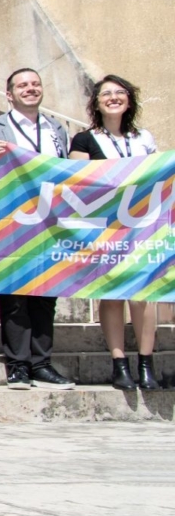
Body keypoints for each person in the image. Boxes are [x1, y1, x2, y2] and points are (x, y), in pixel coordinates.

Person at [0, 69, 74, 391]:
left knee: (46, 294)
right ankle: (18, 365)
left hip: (50, 222)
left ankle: (42, 363)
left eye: (35, 84)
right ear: (9, 94)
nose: (30, 89)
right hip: (12, 223)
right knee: (14, 294)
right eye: (22, 86)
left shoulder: (57, 129)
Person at [69, 74, 162, 389]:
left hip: (143, 226)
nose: (113, 97)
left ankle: (146, 363)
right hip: (105, 228)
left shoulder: (143, 138)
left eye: (119, 92)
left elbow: (158, 177)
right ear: (96, 102)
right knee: (111, 294)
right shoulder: (84, 140)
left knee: (143, 294)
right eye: (105, 93)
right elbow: (76, 181)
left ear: (129, 99)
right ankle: (119, 363)